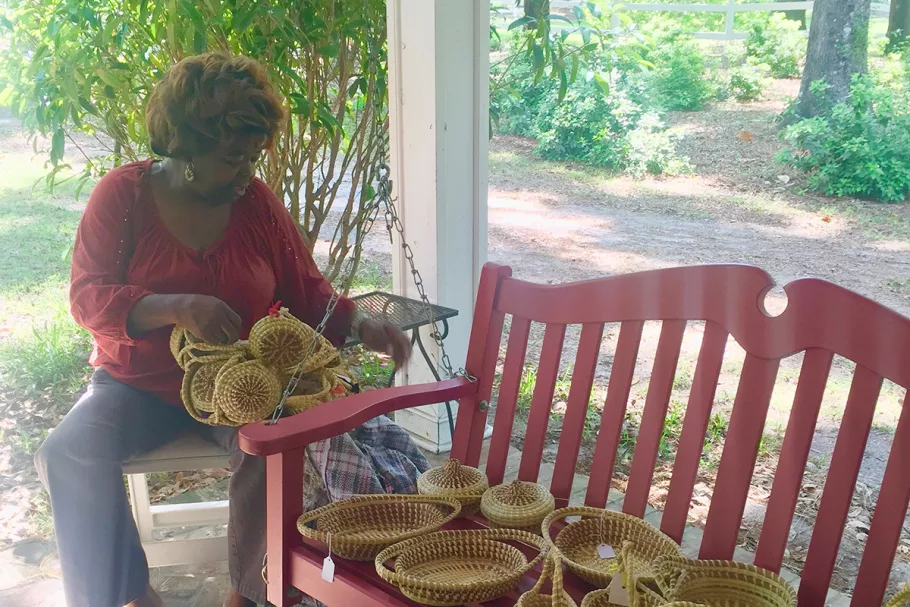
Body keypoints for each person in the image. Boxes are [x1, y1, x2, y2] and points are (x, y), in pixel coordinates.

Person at [35, 52, 427, 607]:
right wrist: (173, 305)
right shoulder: (123, 197)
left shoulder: (257, 206)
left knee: (273, 441)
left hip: (240, 385)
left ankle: (250, 591)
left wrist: (362, 323)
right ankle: (126, 595)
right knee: (67, 452)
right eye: (231, 159)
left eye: (252, 157)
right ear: (185, 149)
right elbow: (85, 297)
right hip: (134, 386)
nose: (246, 174)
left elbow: (307, 291)